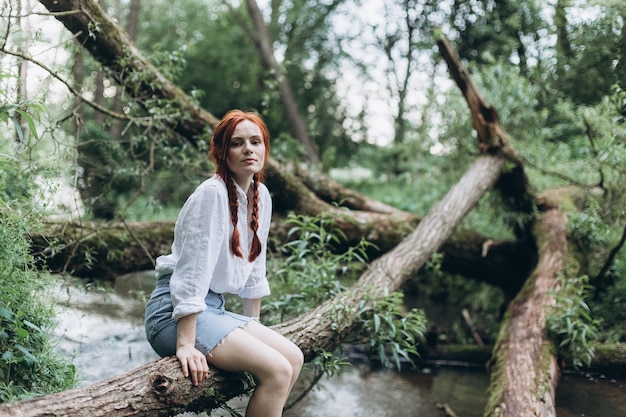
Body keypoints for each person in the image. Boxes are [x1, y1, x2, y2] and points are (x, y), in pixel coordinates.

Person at [144, 110, 303, 417]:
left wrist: (252, 327)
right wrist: (186, 345)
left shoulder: (261, 196)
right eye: (237, 143)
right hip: (173, 315)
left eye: (256, 142)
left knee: (293, 358)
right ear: (221, 152)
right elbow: (192, 272)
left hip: (213, 309)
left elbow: (256, 267)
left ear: (265, 149)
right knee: (277, 371)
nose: (248, 149)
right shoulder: (211, 194)